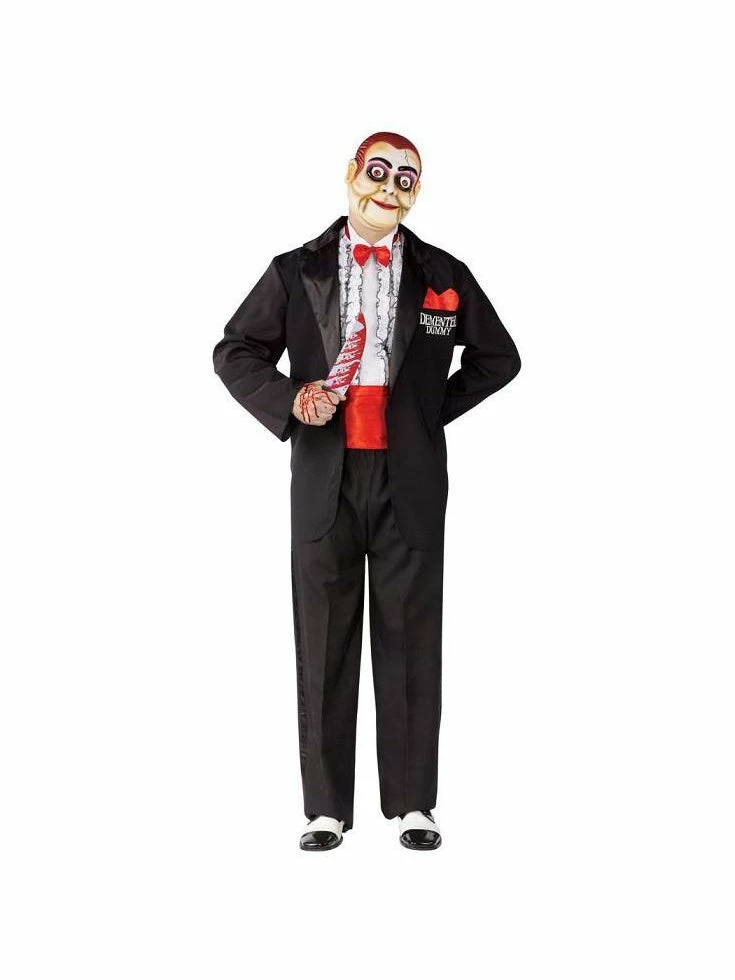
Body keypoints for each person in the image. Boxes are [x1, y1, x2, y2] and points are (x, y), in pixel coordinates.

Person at [212, 131, 521, 851]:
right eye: (378, 171)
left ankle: (413, 804)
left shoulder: (444, 273)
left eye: (405, 178)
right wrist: (292, 400)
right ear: (352, 174)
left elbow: (498, 358)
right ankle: (325, 809)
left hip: (410, 480)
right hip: (326, 477)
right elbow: (235, 350)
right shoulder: (297, 270)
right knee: (324, 636)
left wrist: (424, 413)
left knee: (410, 636)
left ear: (417, 191)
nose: (390, 187)